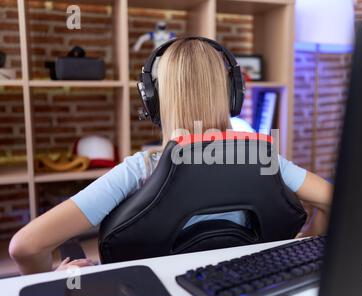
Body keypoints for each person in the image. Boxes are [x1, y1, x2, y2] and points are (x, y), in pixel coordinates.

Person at [9, 39, 333, 275]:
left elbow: (25, 246)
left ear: (152, 100)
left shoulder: (139, 170)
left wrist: (52, 276)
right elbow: (333, 201)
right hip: (239, 286)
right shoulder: (265, 159)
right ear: (232, 95)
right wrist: (301, 244)